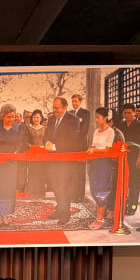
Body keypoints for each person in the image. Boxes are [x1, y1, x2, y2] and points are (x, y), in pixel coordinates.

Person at [43, 96, 83, 225]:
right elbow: (46, 136)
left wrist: (55, 147)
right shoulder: (51, 119)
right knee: (55, 186)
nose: (55, 110)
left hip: (66, 161)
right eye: (53, 107)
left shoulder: (73, 120)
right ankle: (59, 210)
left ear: (65, 107)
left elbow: (73, 140)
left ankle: (65, 214)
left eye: (57, 108)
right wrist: (47, 142)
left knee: (64, 187)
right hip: (53, 160)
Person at [87, 107, 127, 234]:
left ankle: (100, 219)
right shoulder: (96, 131)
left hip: (105, 164)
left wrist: (94, 150)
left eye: (98, 117)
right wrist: (91, 152)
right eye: (96, 117)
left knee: (102, 190)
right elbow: (93, 146)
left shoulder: (110, 132)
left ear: (105, 118)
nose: (96, 120)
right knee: (94, 190)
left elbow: (108, 150)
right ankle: (98, 217)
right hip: (95, 163)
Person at [0, 104, 25, 227]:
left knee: (8, 189)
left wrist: (14, 154)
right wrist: (1, 156)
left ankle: (6, 215)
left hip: (11, 163)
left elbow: (20, 144)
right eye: (8, 117)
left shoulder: (17, 127)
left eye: (13, 117)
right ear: (2, 116)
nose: (11, 119)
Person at [122, 105, 140, 221]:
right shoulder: (121, 125)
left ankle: (132, 207)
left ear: (134, 113)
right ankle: (125, 205)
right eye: (125, 113)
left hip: (135, 156)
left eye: (129, 113)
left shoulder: (139, 125)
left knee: (134, 182)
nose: (127, 115)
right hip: (124, 156)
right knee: (125, 182)